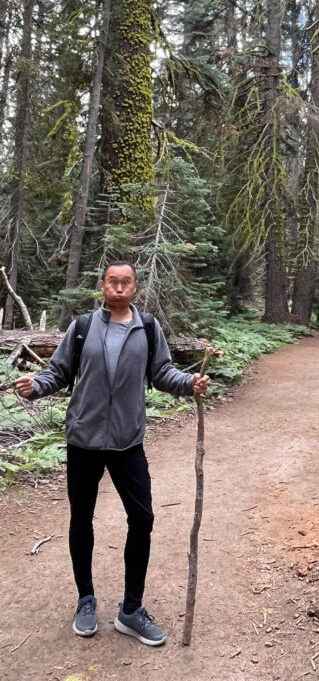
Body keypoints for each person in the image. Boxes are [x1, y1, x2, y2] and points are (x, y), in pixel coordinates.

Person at [15, 260, 210, 647]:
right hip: (83, 441)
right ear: (102, 286)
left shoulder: (149, 328)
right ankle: (86, 599)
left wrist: (190, 383)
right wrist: (35, 386)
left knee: (142, 518)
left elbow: (163, 373)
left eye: (126, 282)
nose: (119, 288)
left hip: (127, 442)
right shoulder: (83, 328)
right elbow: (59, 372)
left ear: (134, 288)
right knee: (81, 519)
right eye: (112, 282)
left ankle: (131, 610)